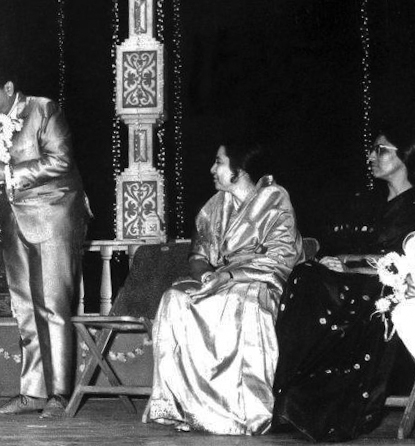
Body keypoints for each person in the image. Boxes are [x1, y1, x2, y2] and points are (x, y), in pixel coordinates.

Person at [143, 142, 304, 435]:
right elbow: (198, 256)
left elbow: (281, 257)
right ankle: (182, 406)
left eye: (219, 162)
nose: (212, 169)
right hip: (220, 281)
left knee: (241, 302)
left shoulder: (275, 198)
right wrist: (206, 277)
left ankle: (243, 412)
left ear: (240, 169)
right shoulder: (214, 206)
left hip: (260, 281)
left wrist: (229, 277)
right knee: (176, 299)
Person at [272, 124, 415, 442]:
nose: (371, 156)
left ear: (405, 155)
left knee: (321, 289)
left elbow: (396, 264)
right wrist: (336, 263)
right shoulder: (369, 202)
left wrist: (349, 270)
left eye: (381, 149)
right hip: (357, 280)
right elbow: (353, 249)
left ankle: (316, 404)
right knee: (306, 276)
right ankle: (287, 398)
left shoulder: (412, 207)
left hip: (388, 290)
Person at [0, 62, 89, 419]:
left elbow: (61, 161)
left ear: (8, 87)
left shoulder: (44, 109)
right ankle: (33, 391)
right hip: (14, 224)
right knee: (24, 308)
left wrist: (6, 173)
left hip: (54, 218)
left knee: (54, 306)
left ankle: (59, 394)